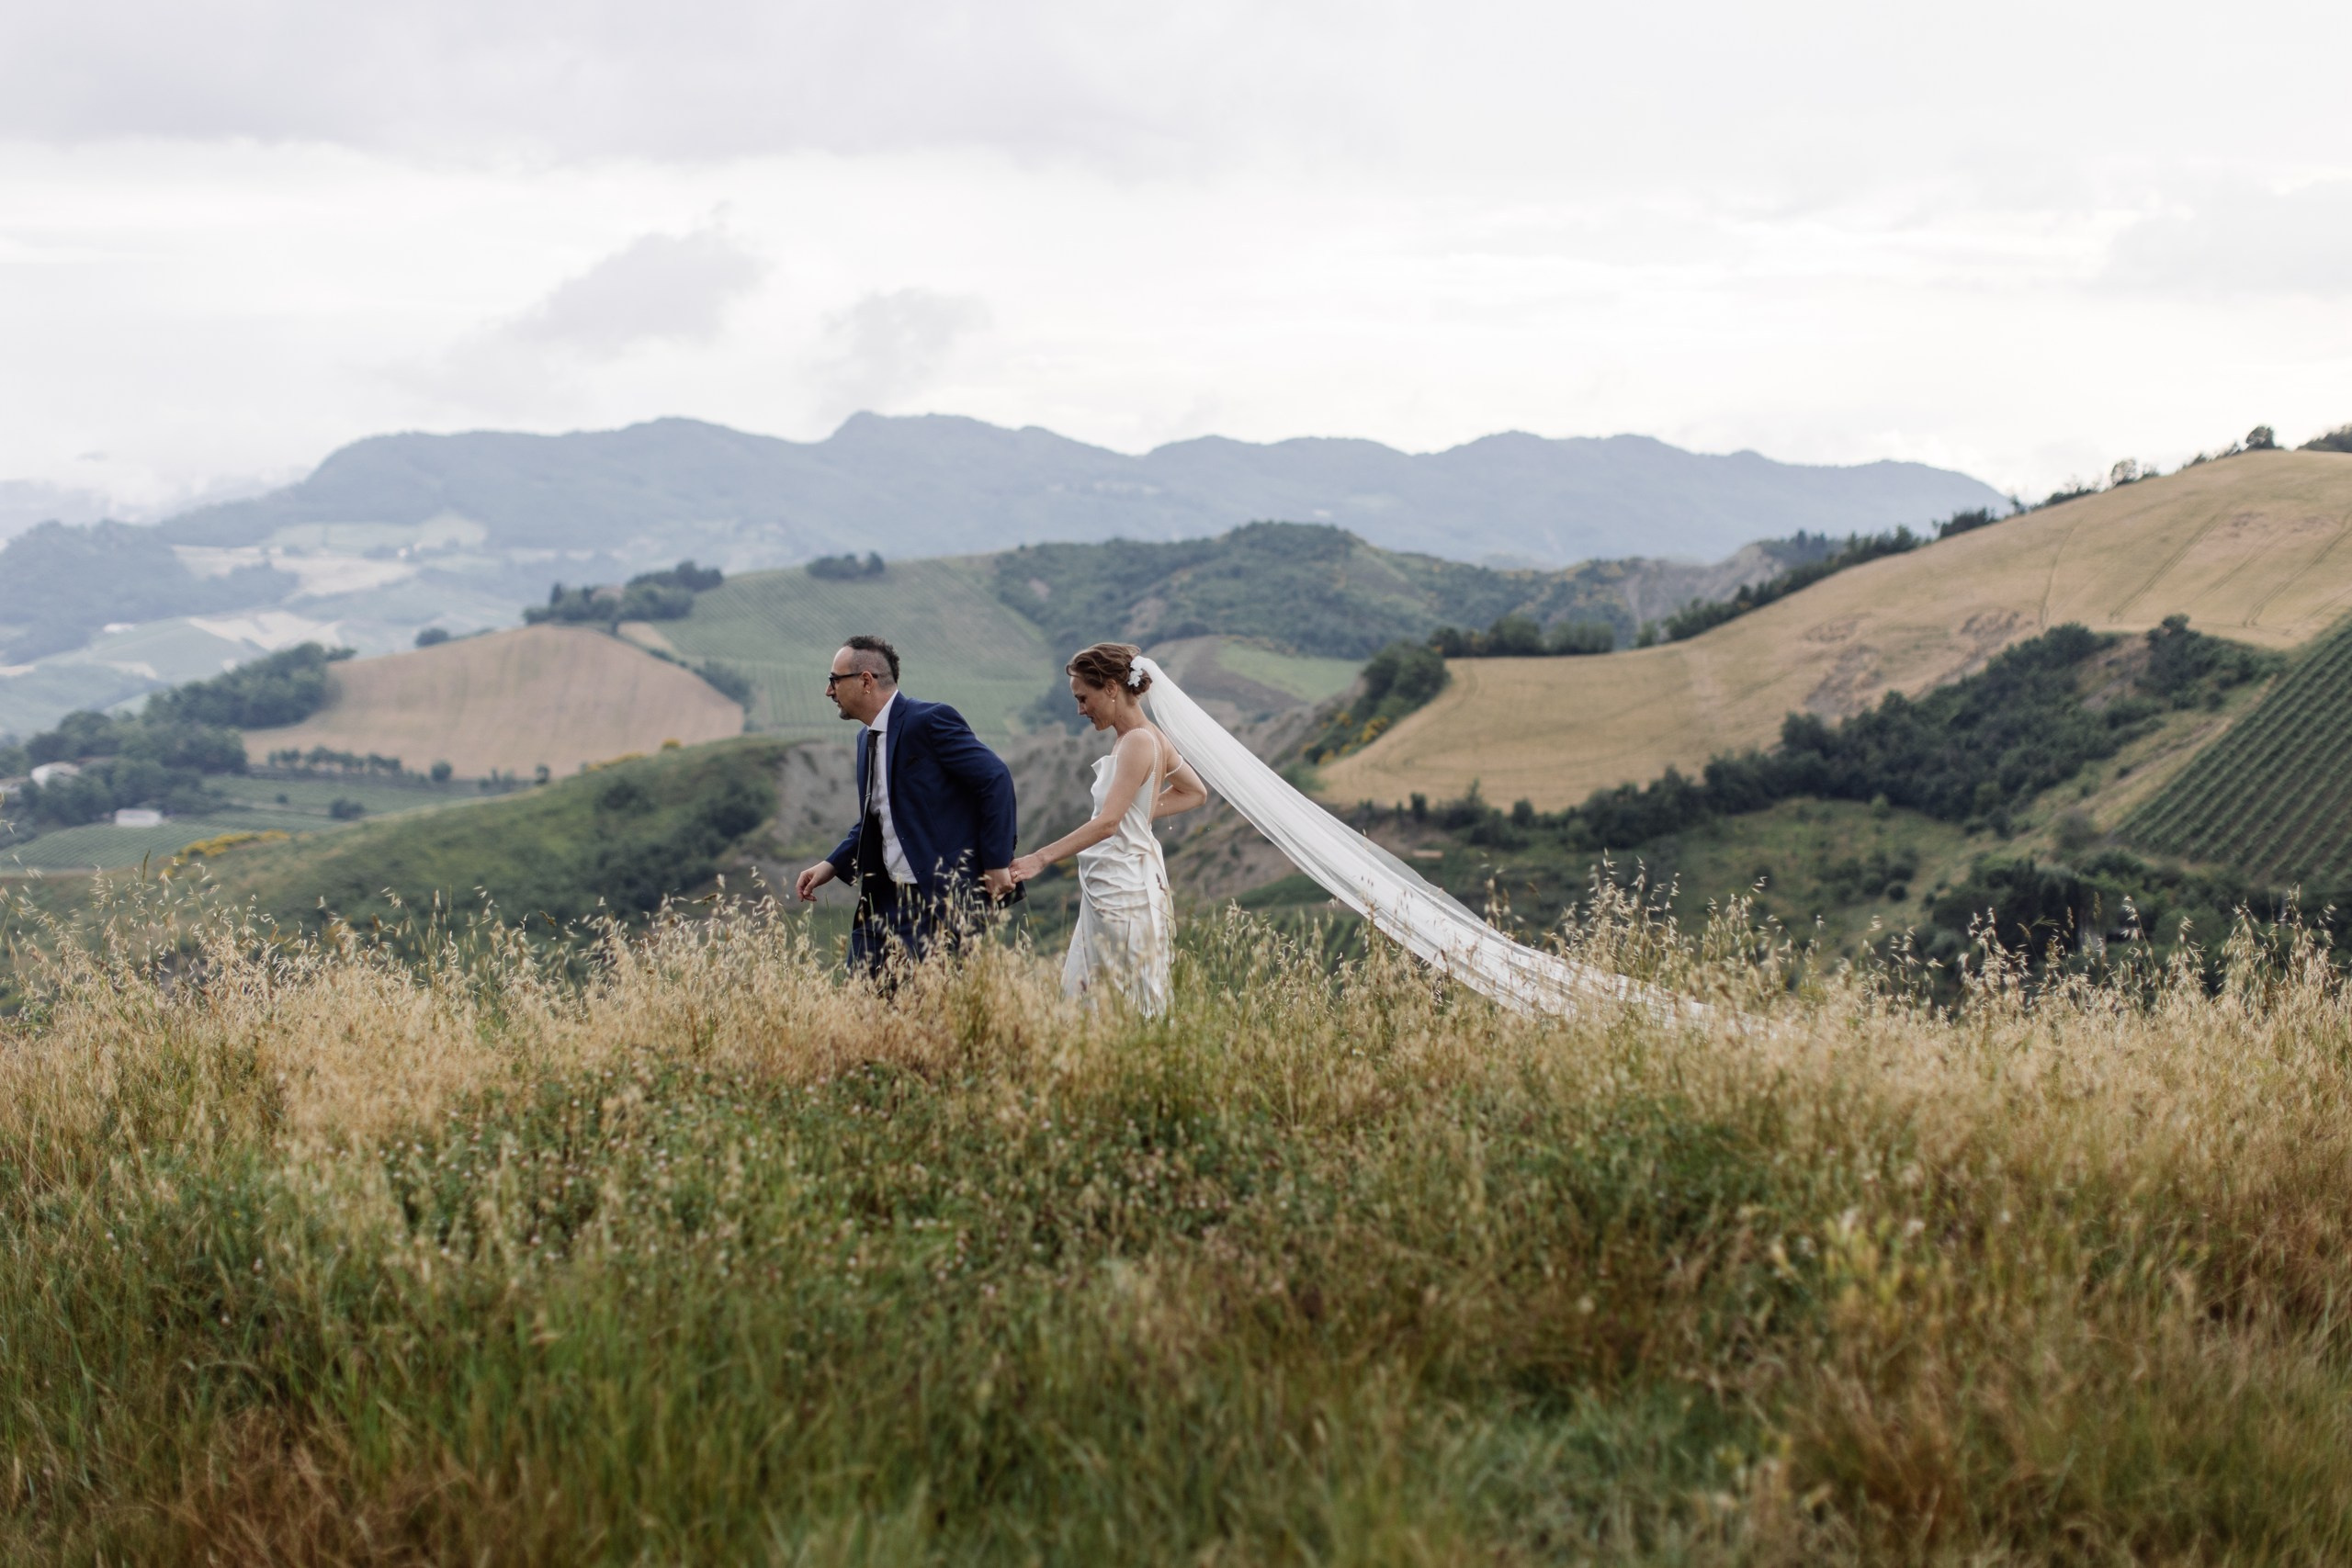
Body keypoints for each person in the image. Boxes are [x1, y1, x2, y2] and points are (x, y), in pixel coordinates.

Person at [795, 635, 1019, 980]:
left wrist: (996, 863)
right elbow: (881, 816)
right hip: (882, 901)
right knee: (861, 1001)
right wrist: (832, 864)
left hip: (938, 902)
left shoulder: (929, 721)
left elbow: (995, 778)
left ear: (866, 680)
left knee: (930, 1013)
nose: (829, 691)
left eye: (834, 680)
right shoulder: (863, 740)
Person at [1008, 642, 1209, 1014]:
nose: (1080, 709)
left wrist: (1040, 858)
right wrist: (1141, 812)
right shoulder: (1150, 738)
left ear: (1112, 688)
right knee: (1112, 986)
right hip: (1114, 883)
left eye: (1084, 698)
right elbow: (1194, 793)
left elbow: (1107, 823)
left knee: (1118, 992)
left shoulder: (1137, 742)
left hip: (1121, 888)